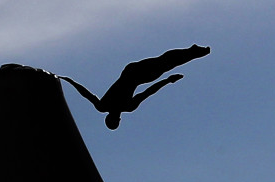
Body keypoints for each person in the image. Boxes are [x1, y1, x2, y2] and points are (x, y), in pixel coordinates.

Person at [61, 44, 210, 129]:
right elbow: (149, 92)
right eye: (117, 120)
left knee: (162, 62)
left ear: (110, 118)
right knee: (165, 64)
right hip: (141, 77)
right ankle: (193, 52)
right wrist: (168, 80)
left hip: (131, 72)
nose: (117, 117)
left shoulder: (103, 106)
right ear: (119, 120)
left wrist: (70, 81)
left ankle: (193, 51)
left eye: (114, 119)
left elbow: (85, 93)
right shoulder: (129, 106)